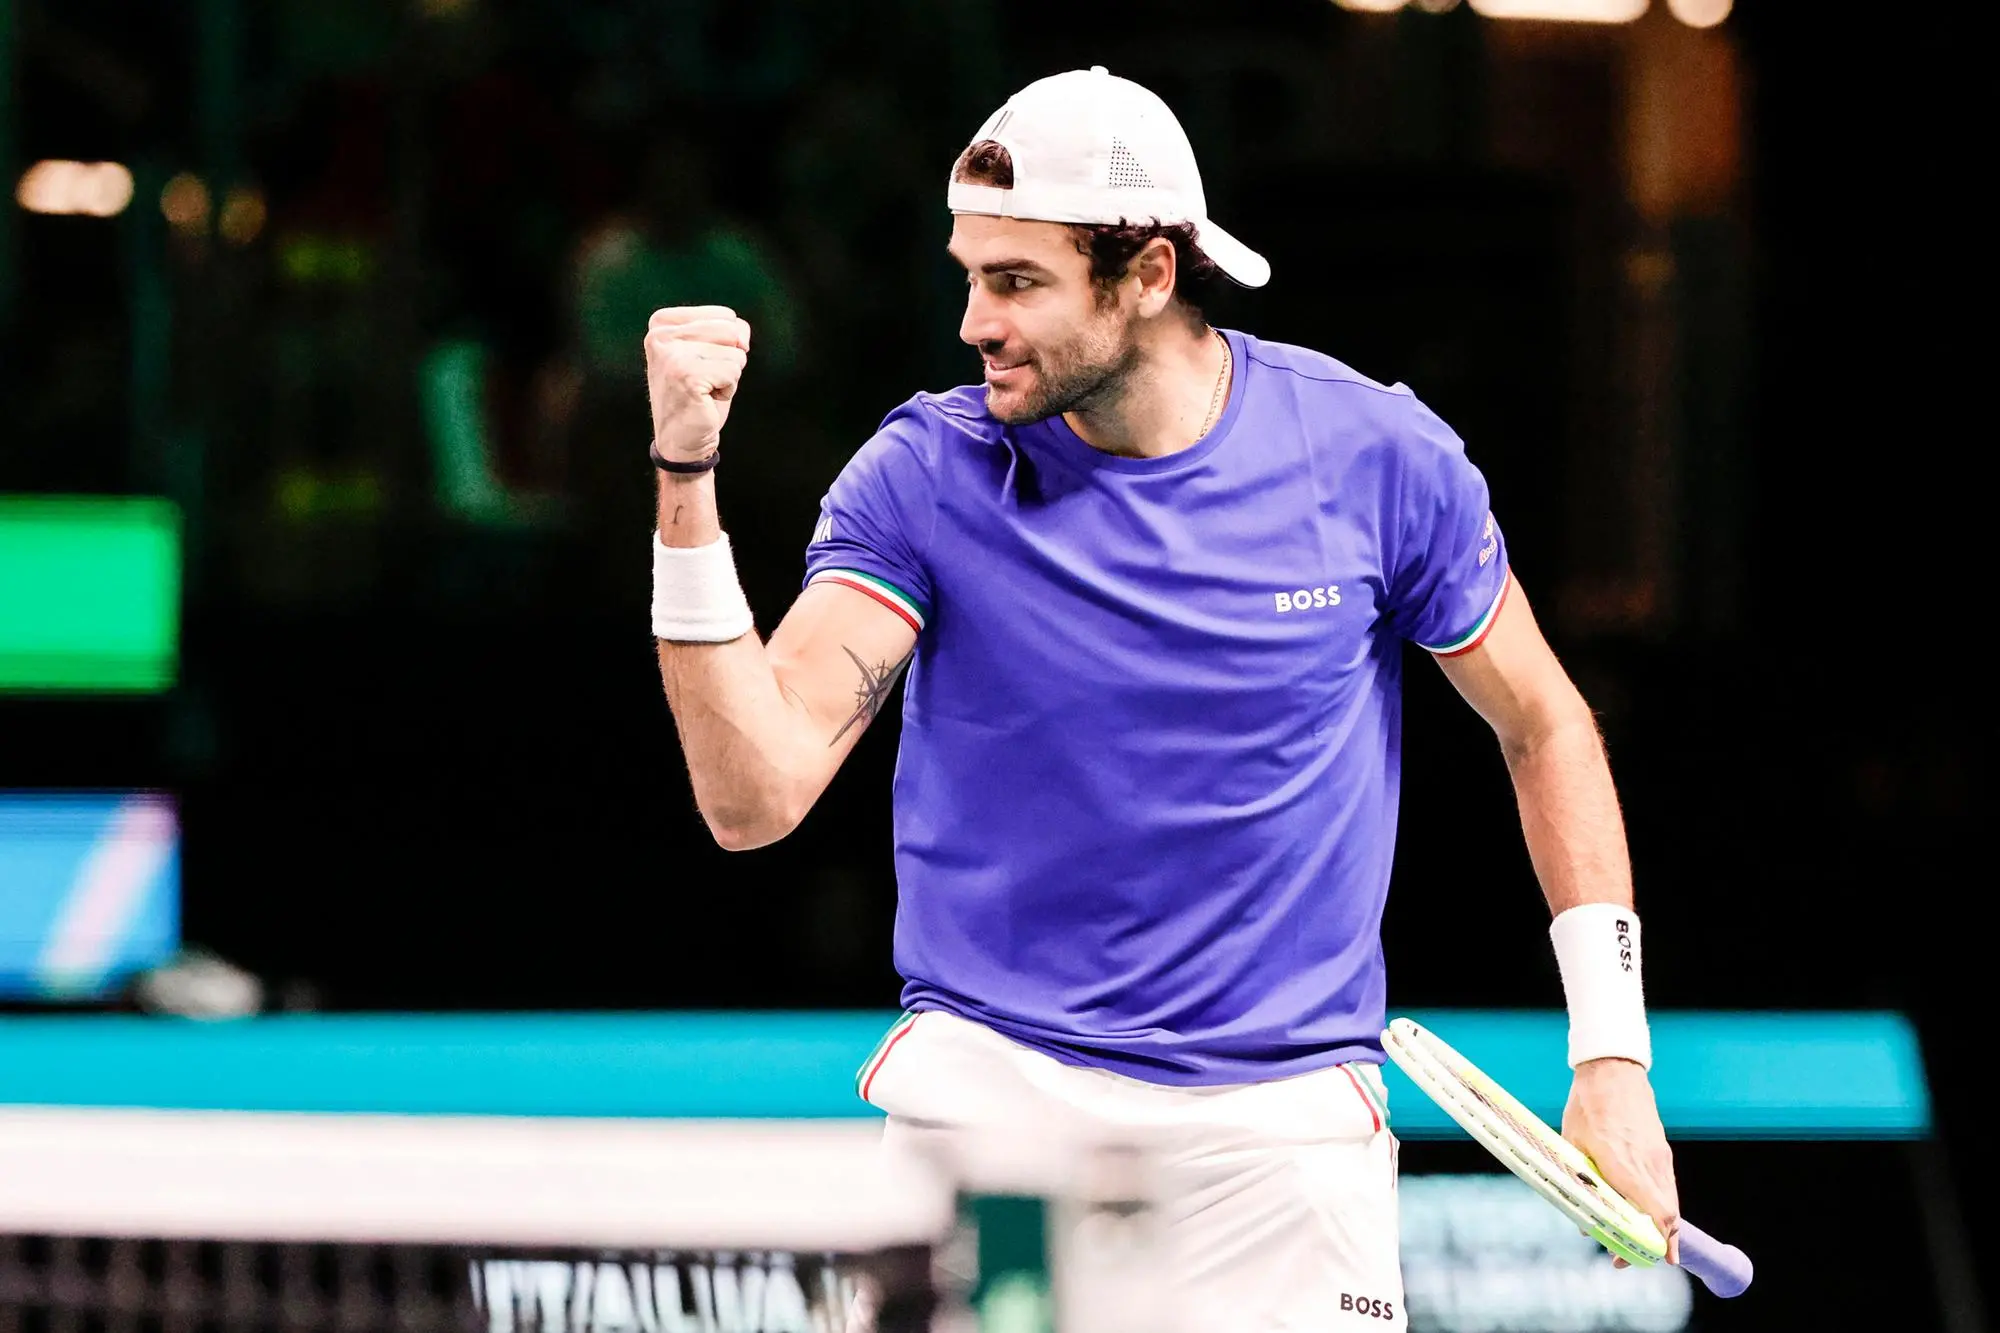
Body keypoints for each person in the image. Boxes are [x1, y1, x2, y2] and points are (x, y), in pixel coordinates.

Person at [643, 66, 1678, 1331]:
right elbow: (753, 798)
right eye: (969, 272)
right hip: (997, 1119)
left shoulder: (1373, 460)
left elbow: (1545, 722)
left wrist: (1611, 1056)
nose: (973, 319)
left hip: (1283, 1149)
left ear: (1145, 274)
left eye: (1016, 283)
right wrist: (684, 481)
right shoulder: (927, 475)